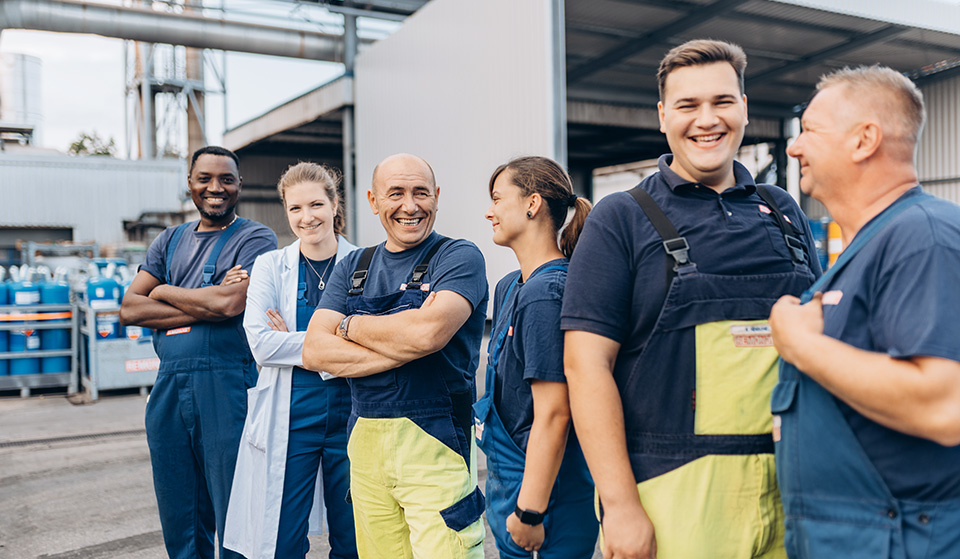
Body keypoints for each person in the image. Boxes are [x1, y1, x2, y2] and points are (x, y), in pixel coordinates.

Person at [561, 39, 821, 559]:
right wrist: (620, 506)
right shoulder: (622, 218)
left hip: (794, 486)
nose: (708, 119)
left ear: (744, 107)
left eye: (723, 101)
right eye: (687, 105)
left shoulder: (784, 211)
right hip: (673, 494)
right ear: (663, 116)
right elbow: (585, 367)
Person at [769, 66, 960, 559]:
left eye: (809, 130)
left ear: (864, 141)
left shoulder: (922, 238)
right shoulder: (867, 246)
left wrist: (800, 345)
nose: (793, 147)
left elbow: (943, 405)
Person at [303, 153, 488, 559]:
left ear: (437, 197)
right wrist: (406, 341)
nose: (410, 205)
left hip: (436, 441)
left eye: (421, 192)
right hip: (365, 443)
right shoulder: (353, 265)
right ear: (373, 200)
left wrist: (349, 326)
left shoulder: (458, 257)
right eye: (396, 193)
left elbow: (428, 333)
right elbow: (315, 350)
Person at [119, 146, 277, 559]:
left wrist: (164, 289)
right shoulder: (169, 241)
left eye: (226, 179)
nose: (216, 187)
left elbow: (229, 305)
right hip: (169, 386)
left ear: (239, 185)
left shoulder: (254, 237)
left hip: (227, 383)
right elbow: (130, 309)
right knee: (179, 511)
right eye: (205, 178)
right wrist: (204, 298)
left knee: (235, 510)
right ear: (190, 184)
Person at [222, 162, 359, 558]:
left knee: (354, 538)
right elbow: (261, 345)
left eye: (316, 204)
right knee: (281, 538)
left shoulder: (364, 262)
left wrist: (295, 345)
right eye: (295, 208)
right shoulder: (270, 265)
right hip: (291, 414)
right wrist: (335, 341)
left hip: (353, 414)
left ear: (335, 205)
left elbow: (377, 342)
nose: (306, 217)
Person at [475, 156, 598, 558]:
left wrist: (530, 512)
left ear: (532, 204)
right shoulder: (512, 286)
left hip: (546, 498)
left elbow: (554, 412)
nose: (488, 211)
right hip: (510, 482)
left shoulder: (545, 295)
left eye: (497, 198)